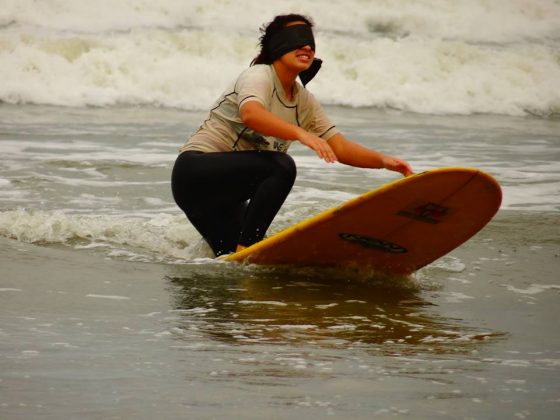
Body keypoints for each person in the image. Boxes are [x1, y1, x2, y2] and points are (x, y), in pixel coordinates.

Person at [171, 13, 413, 257]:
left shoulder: (304, 102)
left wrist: (383, 162)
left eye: (310, 41)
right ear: (277, 45)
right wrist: (301, 134)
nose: (307, 46)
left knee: (231, 259)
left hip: (225, 198)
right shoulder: (259, 76)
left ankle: (243, 256)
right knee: (280, 167)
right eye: (297, 39)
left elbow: (339, 147)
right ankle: (248, 250)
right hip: (195, 175)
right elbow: (251, 114)